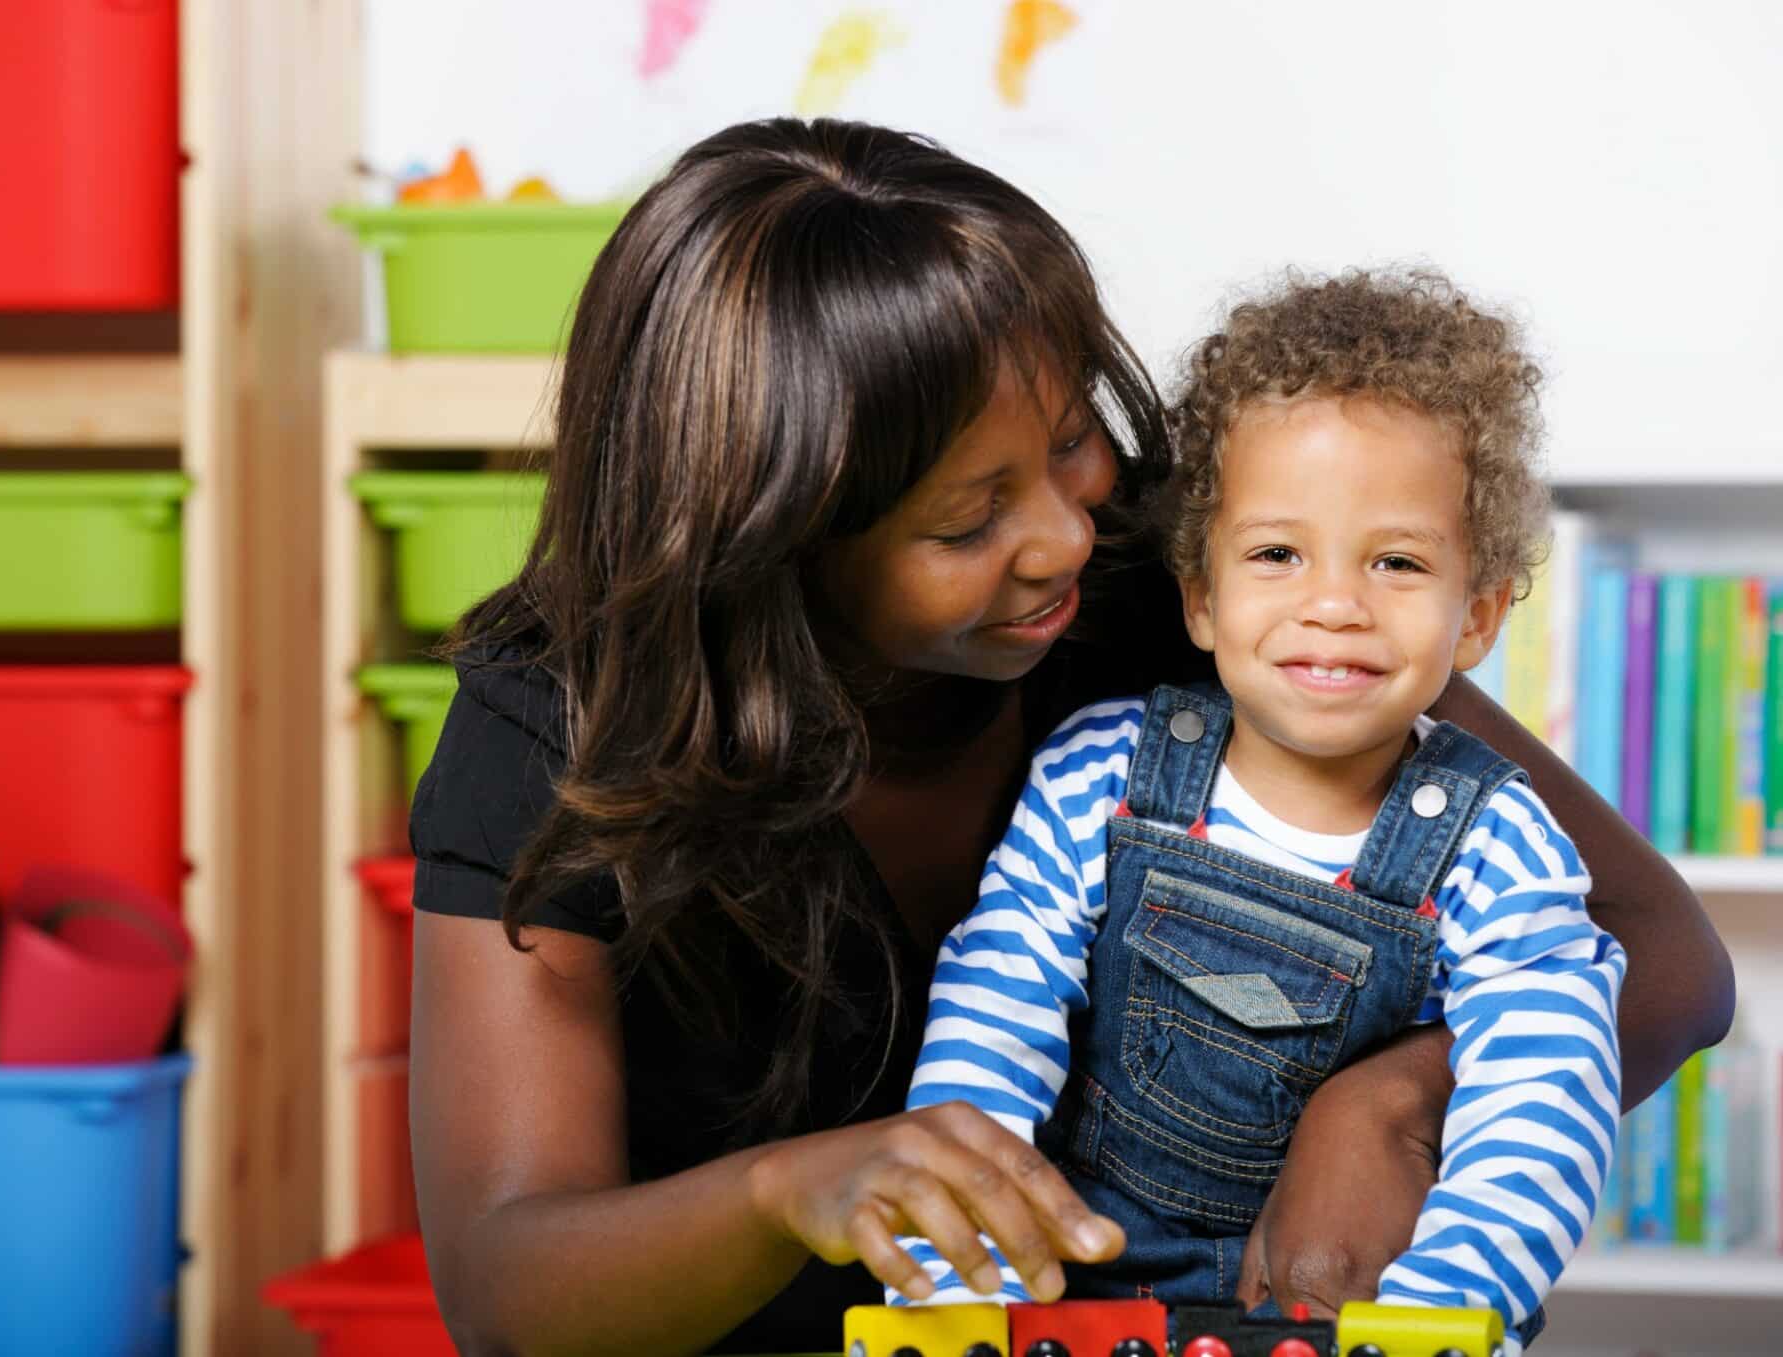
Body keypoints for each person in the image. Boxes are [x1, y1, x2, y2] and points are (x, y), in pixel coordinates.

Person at [406, 120, 1732, 1357]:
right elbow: (506, 1284)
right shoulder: (557, 729)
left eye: (1070, 441)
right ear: (778, 549)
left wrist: (1389, 1100)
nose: (1066, 535)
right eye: (968, 519)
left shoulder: (1203, 586)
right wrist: (784, 1192)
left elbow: (1664, 957)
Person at [897, 270, 1626, 1350]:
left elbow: (1538, 1112)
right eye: (1277, 555)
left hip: (1354, 1312)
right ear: (1200, 594)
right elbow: (995, 1014)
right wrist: (958, 1272)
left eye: (1397, 562)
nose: (1333, 604)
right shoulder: (1099, 774)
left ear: (1476, 617)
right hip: (1083, 1297)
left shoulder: (1501, 848)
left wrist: (1430, 1315)